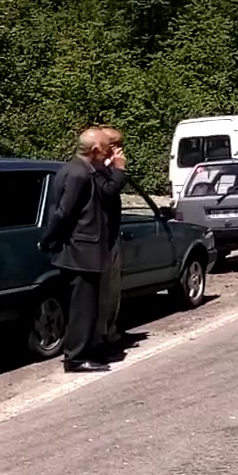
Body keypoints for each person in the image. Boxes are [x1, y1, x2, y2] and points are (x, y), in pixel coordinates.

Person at [39, 127, 124, 373]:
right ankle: (75, 358)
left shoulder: (83, 170)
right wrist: (49, 239)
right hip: (80, 252)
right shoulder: (78, 174)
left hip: (86, 251)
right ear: (95, 150)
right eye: (106, 148)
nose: (109, 153)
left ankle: (89, 350)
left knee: (89, 306)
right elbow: (63, 213)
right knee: (82, 308)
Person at [96, 126, 128, 348]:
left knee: (113, 290)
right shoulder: (94, 169)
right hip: (99, 240)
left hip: (111, 236)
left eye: (119, 144)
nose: (118, 150)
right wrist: (119, 170)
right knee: (103, 291)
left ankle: (110, 330)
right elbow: (107, 192)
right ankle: (102, 336)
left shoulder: (106, 168)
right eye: (113, 144)